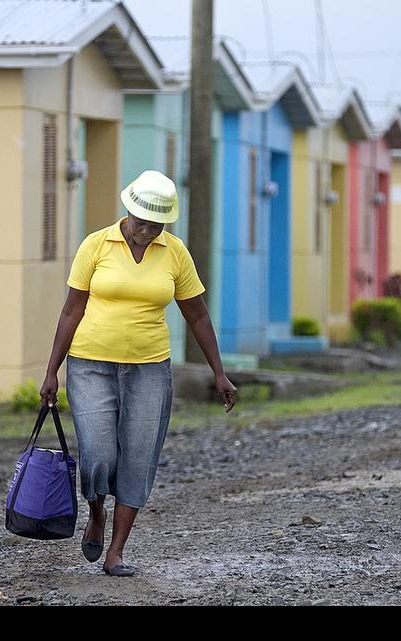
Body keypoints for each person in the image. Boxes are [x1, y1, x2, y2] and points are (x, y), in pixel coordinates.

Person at [39, 170, 236, 577]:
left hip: (149, 369)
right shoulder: (96, 244)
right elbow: (72, 309)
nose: (149, 230)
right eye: (143, 221)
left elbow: (196, 314)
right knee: (98, 453)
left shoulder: (175, 252)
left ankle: (116, 552)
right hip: (90, 364)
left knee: (140, 456)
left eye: (158, 223)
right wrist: (51, 371)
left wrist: (219, 372)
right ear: (128, 210)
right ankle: (96, 512)